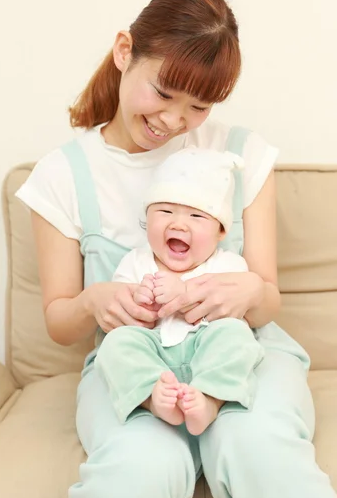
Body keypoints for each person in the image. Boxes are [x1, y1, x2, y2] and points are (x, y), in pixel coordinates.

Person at [16, 0, 337, 498]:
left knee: (259, 447)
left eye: (198, 106)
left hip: (242, 348)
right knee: (139, 469)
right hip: (137, 364)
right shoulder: (62, 176)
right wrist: (92, 301)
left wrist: (251, 290)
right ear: (125, 52)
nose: (173, 120)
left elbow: (267, 303)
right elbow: (60, 321)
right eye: (164, 93)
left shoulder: (241, 155)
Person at [96, 147, 265, 435]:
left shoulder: (228, 264)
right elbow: (124, 310)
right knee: (115, 345)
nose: (178, 223)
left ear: (220, 231)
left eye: (197, 217)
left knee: (237, 337)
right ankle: (152, 397)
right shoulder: (136, 262)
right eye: (164, 211)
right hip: (155, 353)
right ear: (147, 218)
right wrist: (141, 300)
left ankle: (210, 399)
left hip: (206, 348)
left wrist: (184, 292)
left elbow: (237, 313)